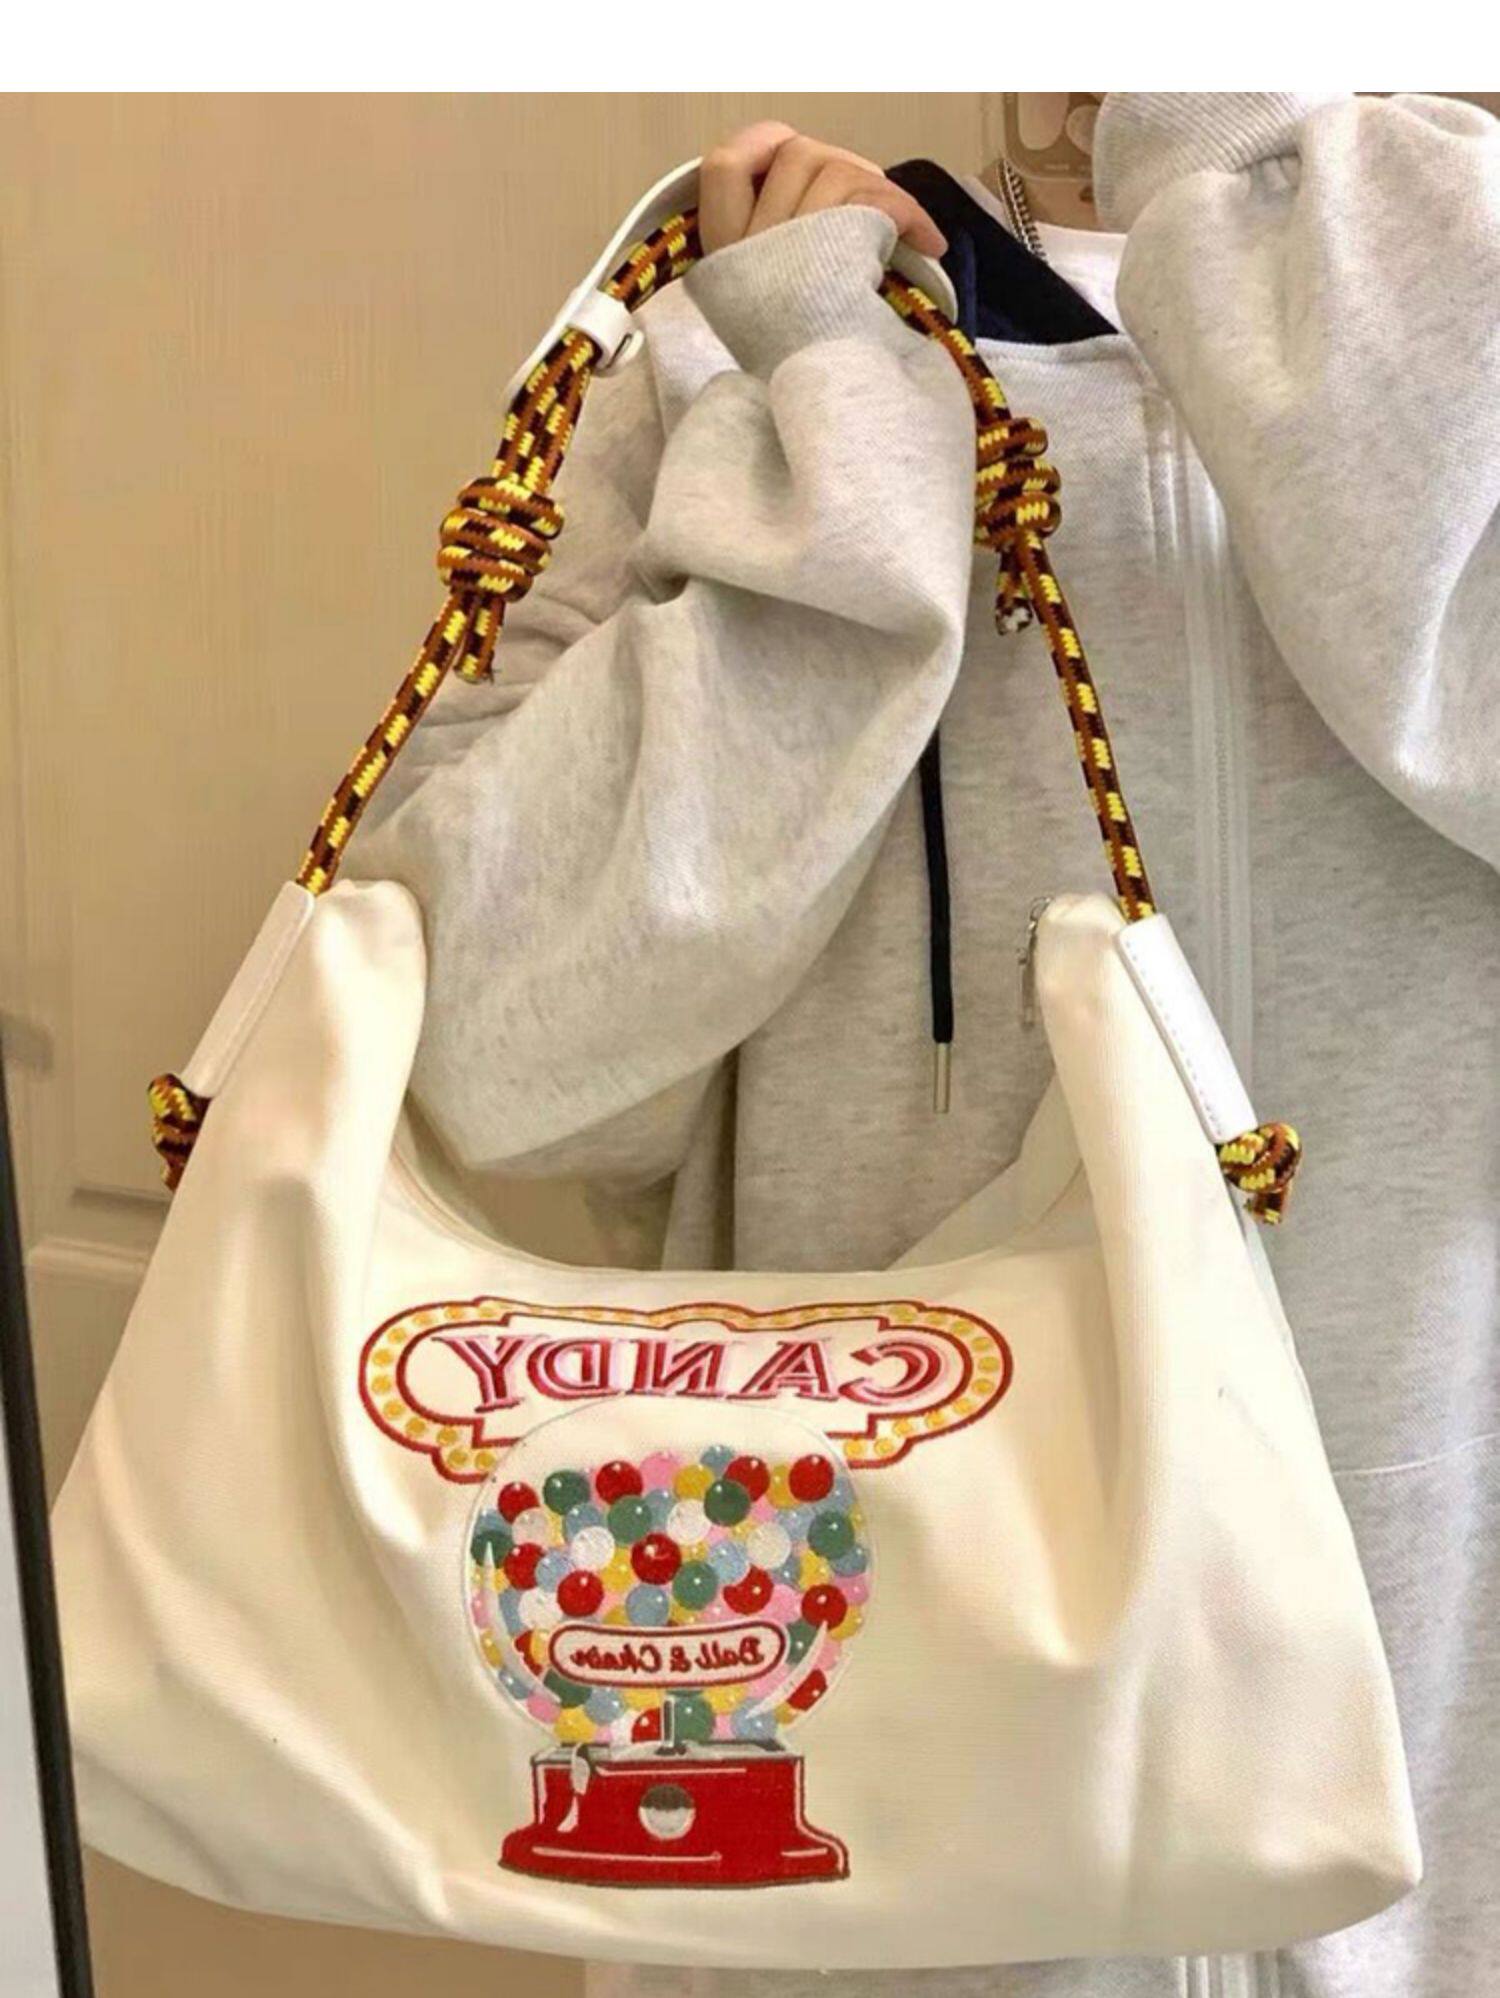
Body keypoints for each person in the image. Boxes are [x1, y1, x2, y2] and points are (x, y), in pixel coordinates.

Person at [348, 95, 1500, 1998]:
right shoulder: (736, 346)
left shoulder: (1465, 293)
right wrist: (836, 443)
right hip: (881, 1837)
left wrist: (1304, 182)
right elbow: (498, 1038)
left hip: (1452, 1771)